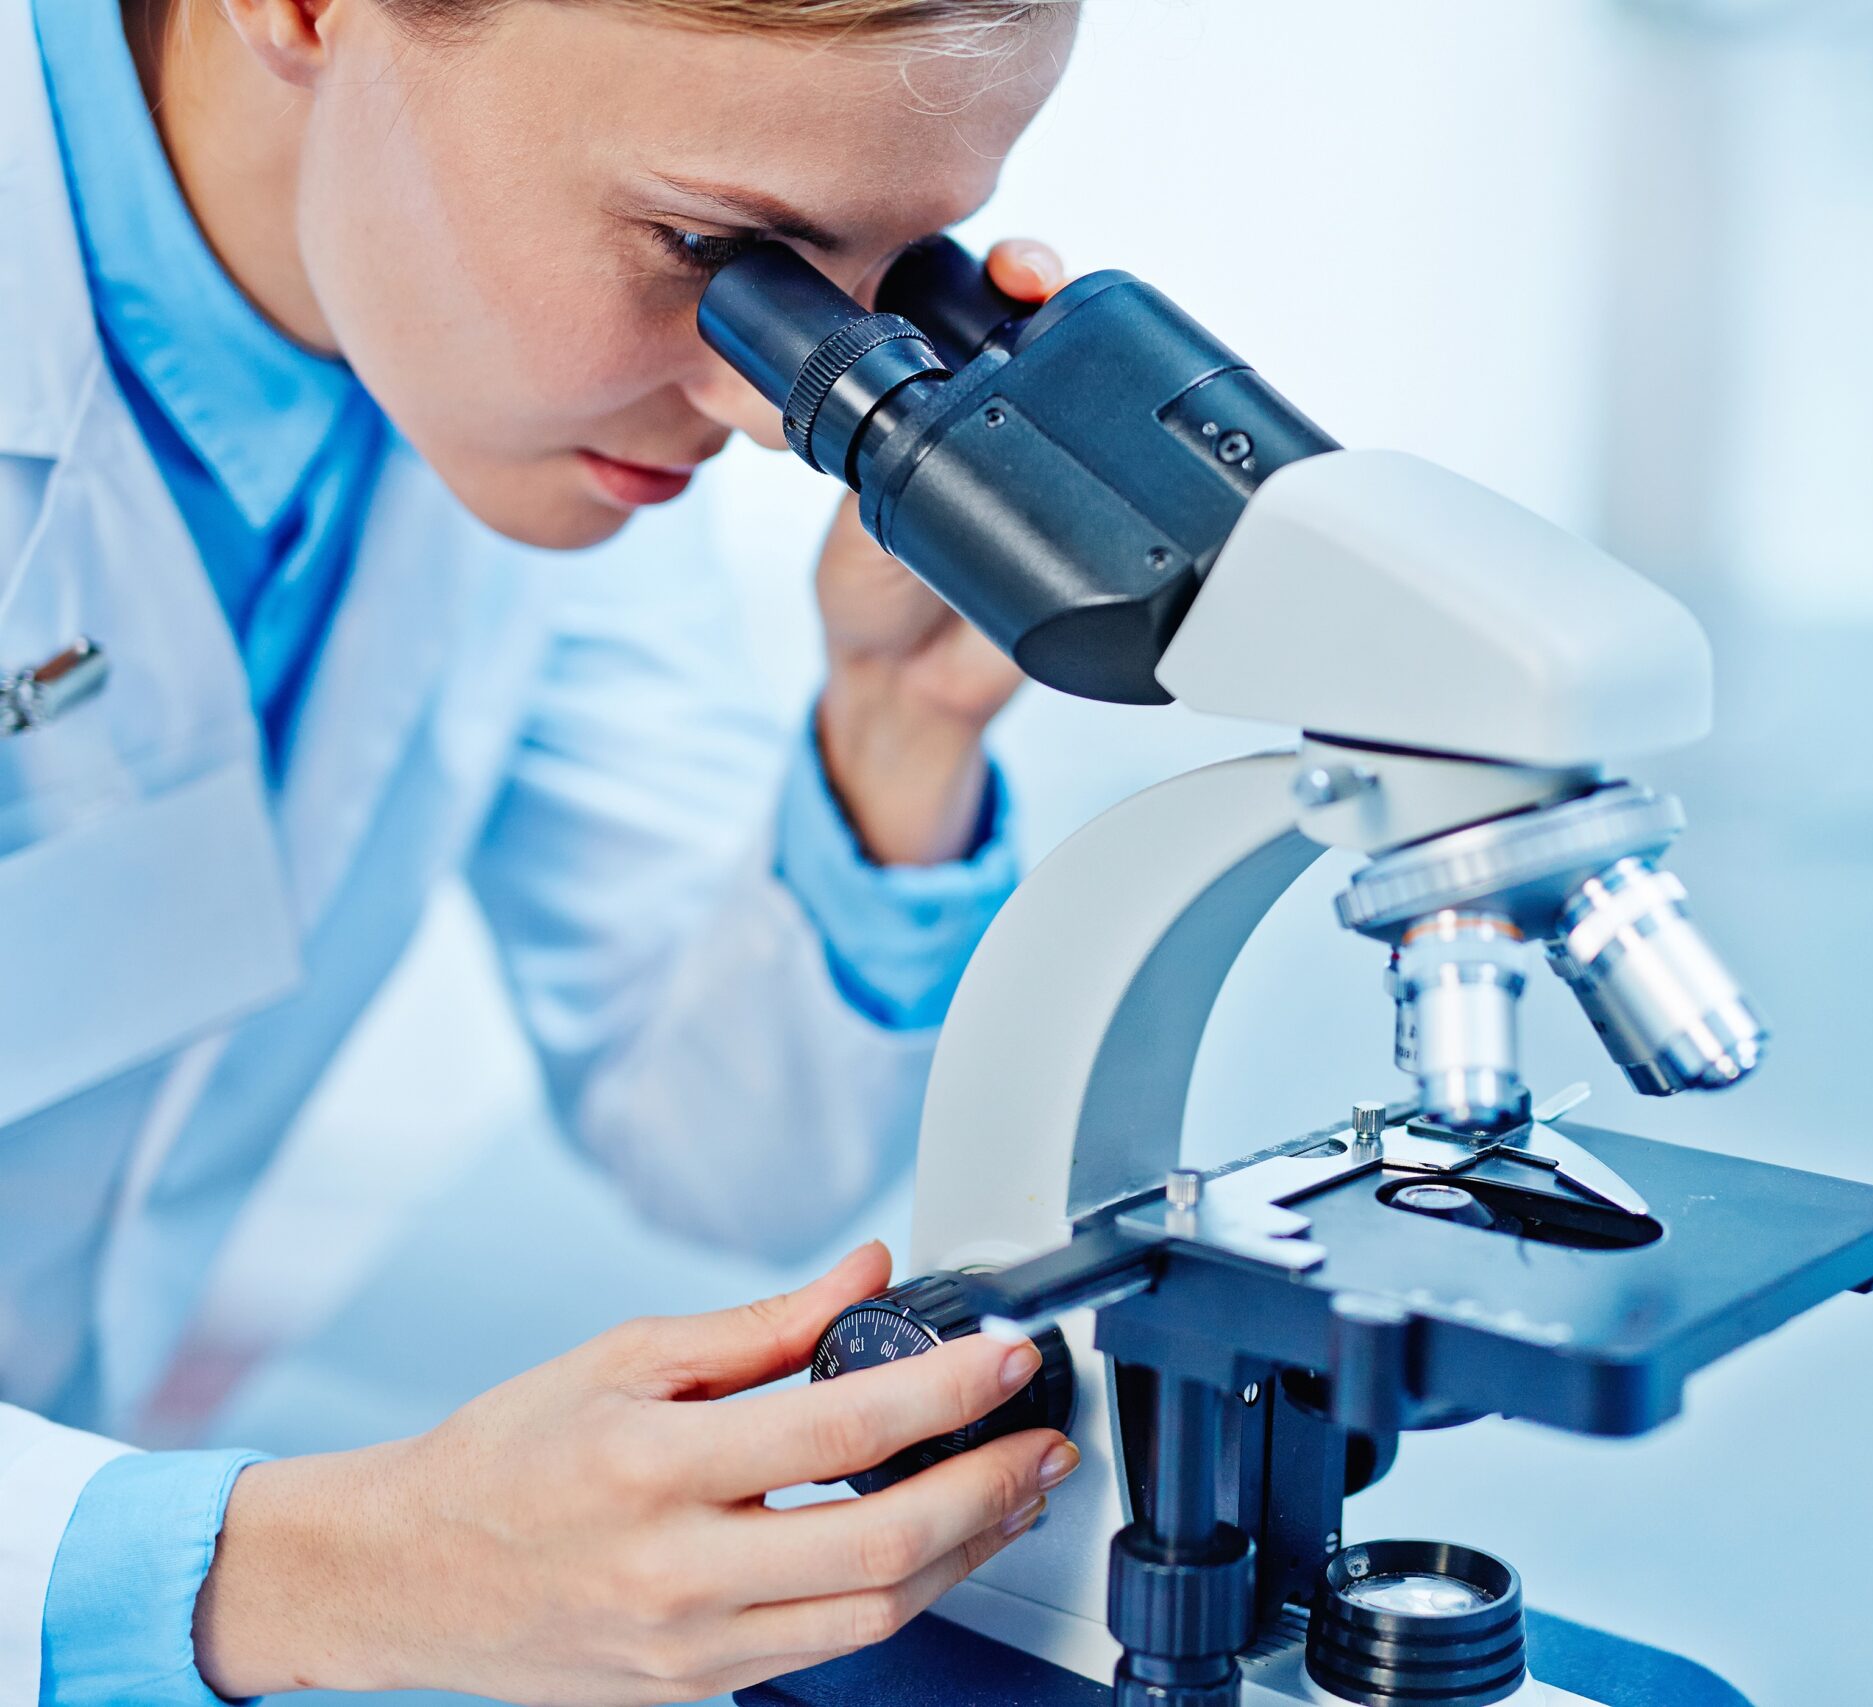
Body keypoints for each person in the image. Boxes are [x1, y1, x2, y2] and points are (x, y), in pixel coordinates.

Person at [0, 0, 1090, 1699]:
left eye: (874, 276)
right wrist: (332, 1568)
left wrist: (897, 723)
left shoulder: (476, 366)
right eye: (711, 247)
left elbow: (730, 1150)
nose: (761, 409)